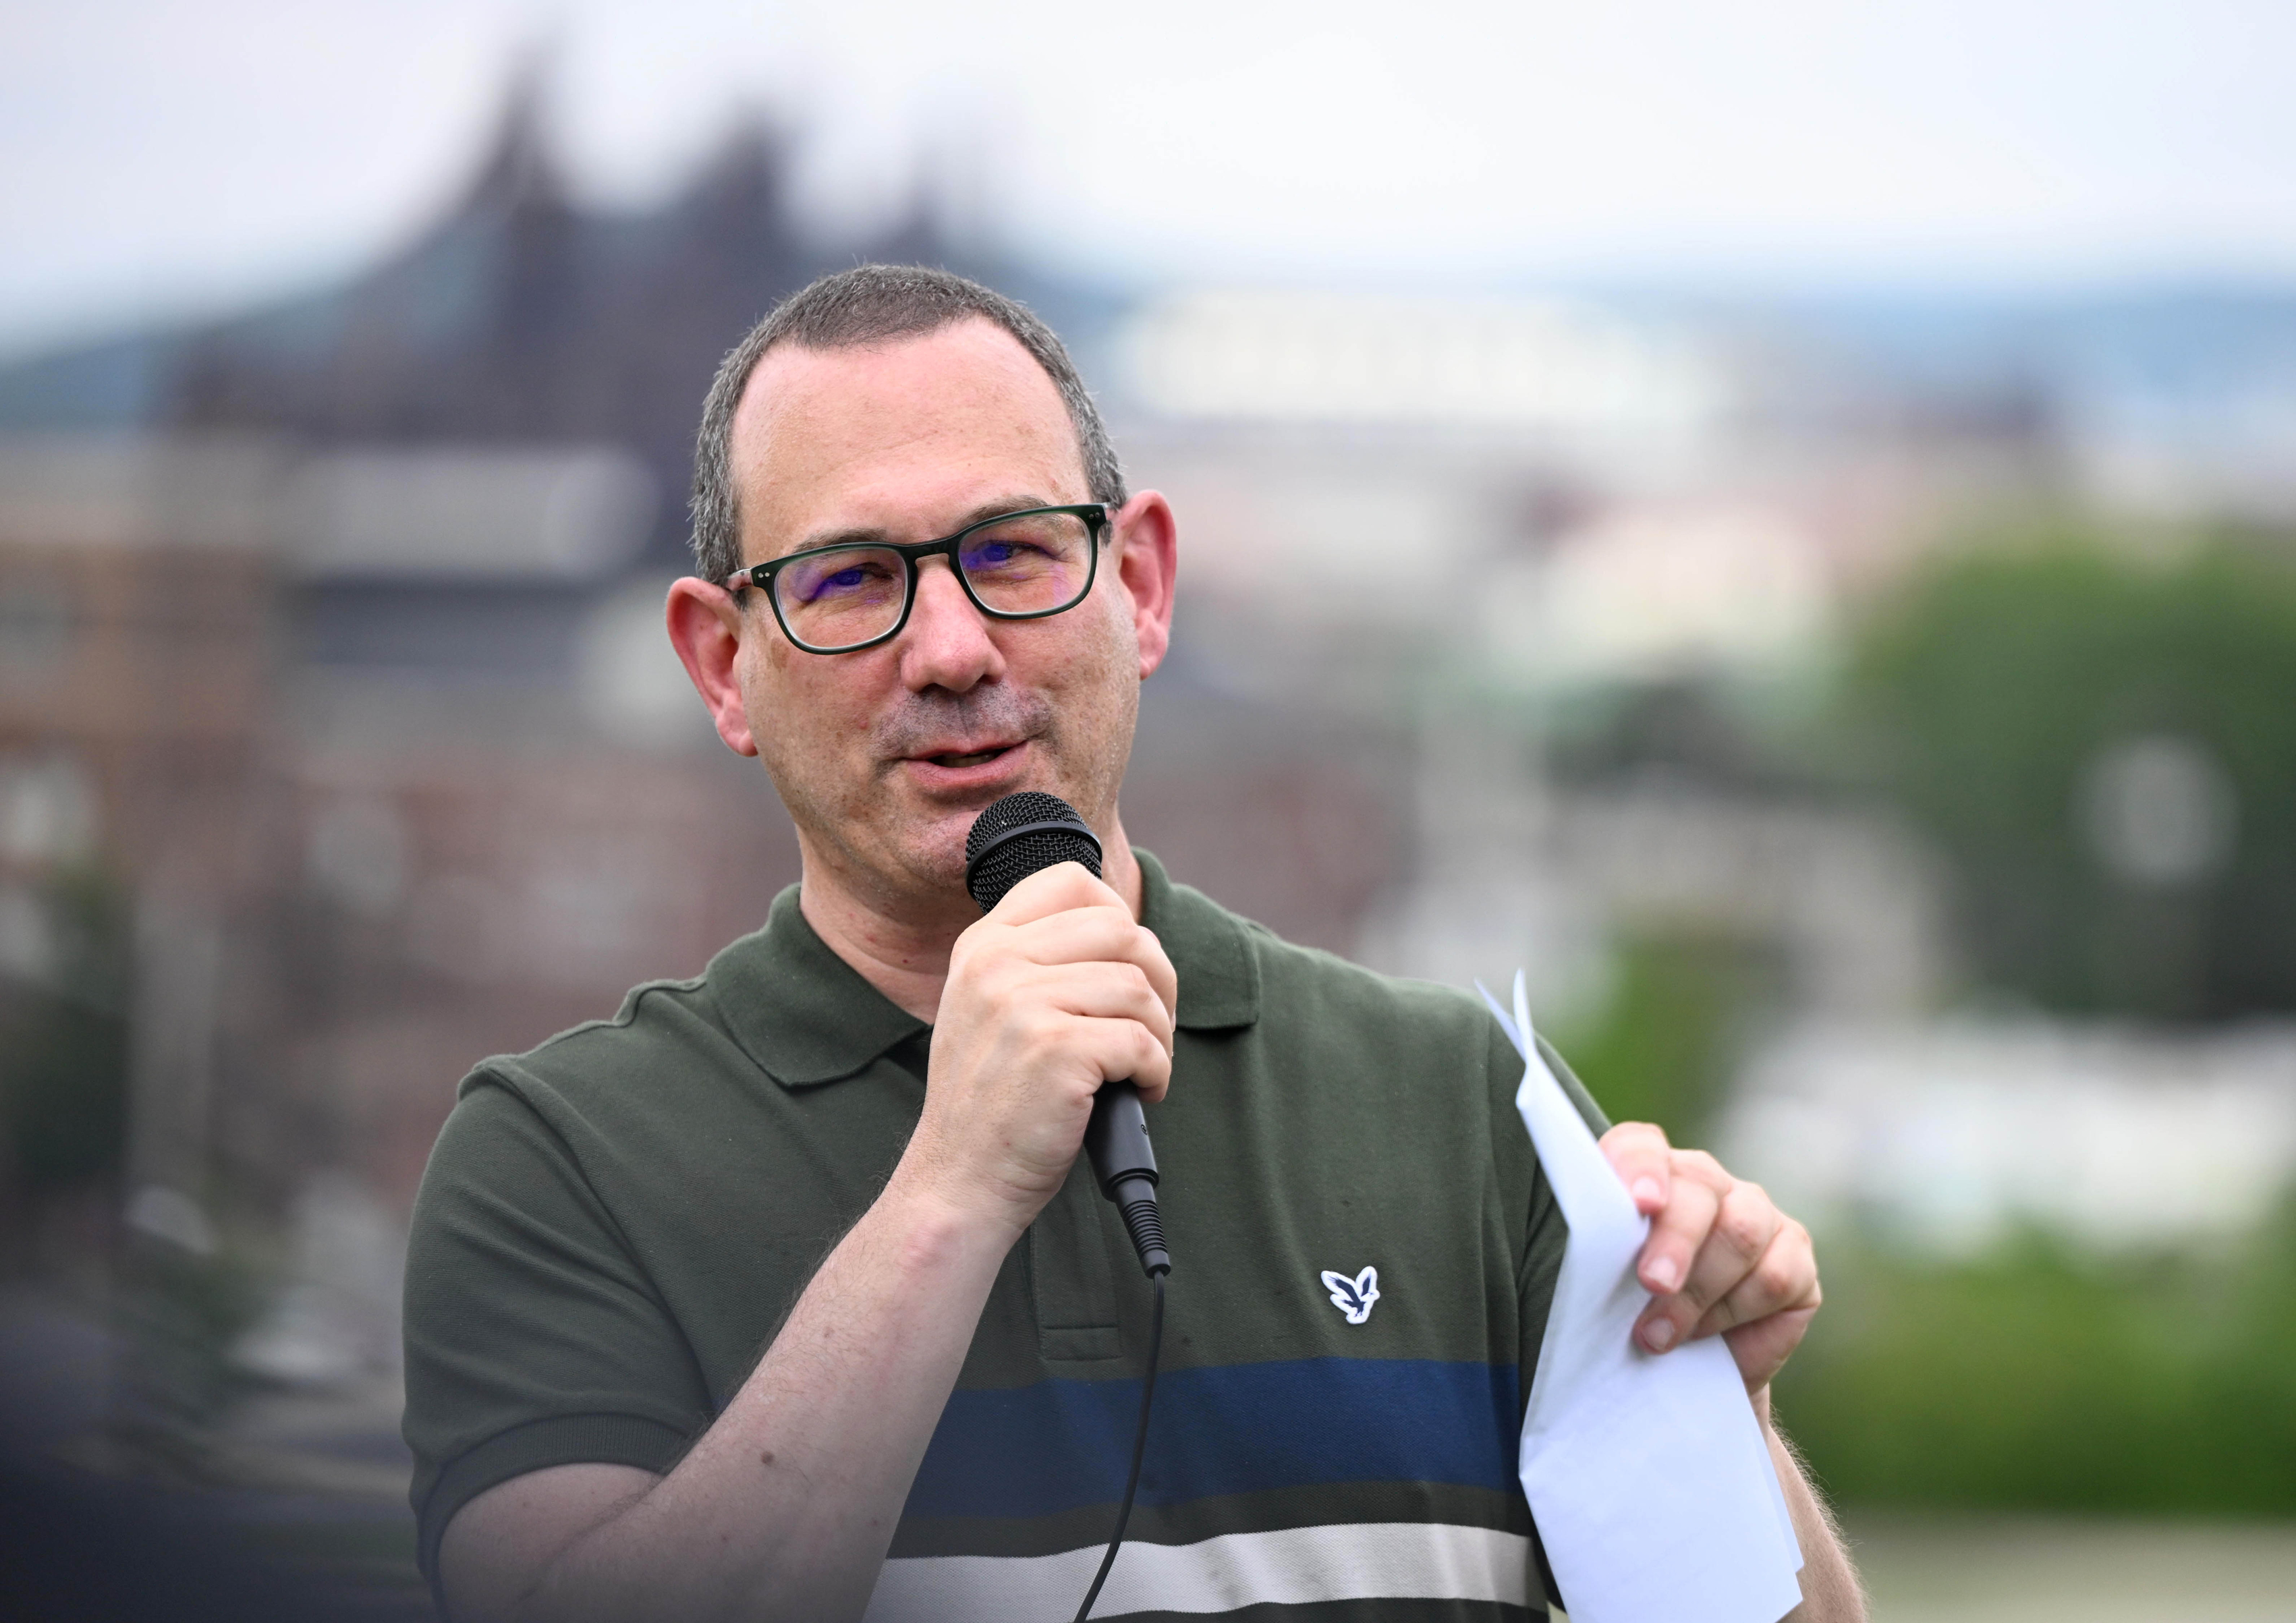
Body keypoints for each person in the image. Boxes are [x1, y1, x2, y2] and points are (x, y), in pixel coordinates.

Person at [402, 265, 1864, 1623]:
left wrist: (1718, 1395)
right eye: (850, 580)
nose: (955, 647)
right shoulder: (559, 1161)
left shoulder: (1466, 1108)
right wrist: (954, 1187)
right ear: (726, 666)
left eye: (1013, 552)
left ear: (1144, 588)